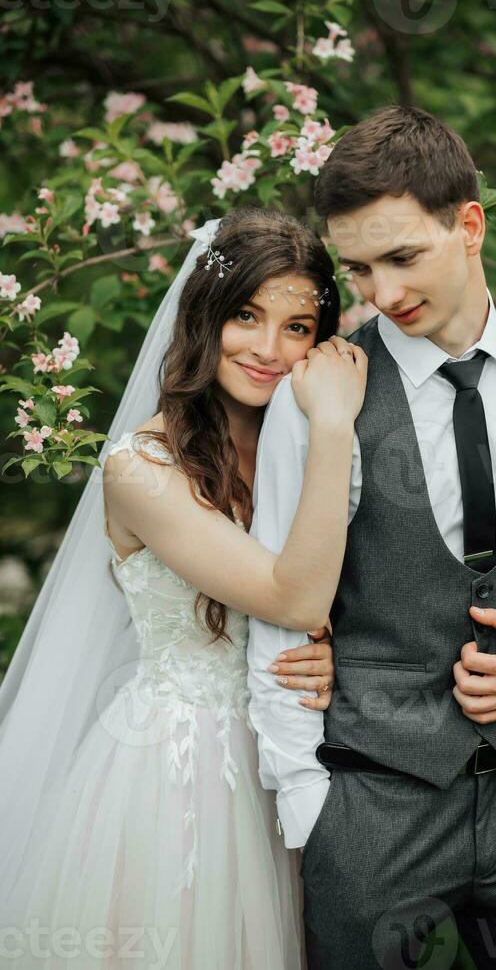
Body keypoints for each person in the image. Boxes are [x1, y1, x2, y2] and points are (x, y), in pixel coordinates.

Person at [246, 107, 496, 969]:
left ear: (468, 225)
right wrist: (312, 811)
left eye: (402, 257)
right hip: (371, 804)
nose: (382, 295)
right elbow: (279, 612)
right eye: (358, 269)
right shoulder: (320, 396)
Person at [0, 206, 367, 969]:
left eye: (297, 328)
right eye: (246, 316)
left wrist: (333, 651)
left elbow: (326, 606)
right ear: (205, 318)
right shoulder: (142, 467)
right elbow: (291, 596)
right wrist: (335, 426)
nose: (269, 349)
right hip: (177, 772)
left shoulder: (291, 443)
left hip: (290, 767)